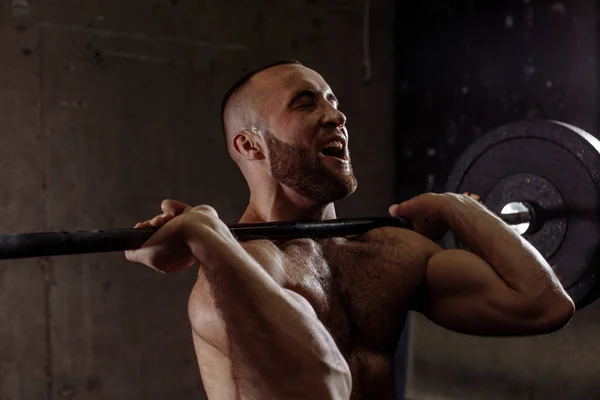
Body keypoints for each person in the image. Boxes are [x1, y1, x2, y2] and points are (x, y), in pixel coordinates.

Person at [125, 60, 575, 400]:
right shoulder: (240, 274)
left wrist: (459, 210)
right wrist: (210, 241)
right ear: (249, 144)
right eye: (305, 103)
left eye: (334, 102)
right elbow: (322, 389)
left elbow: (543, 305)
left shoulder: (387, 252)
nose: (336, 116)